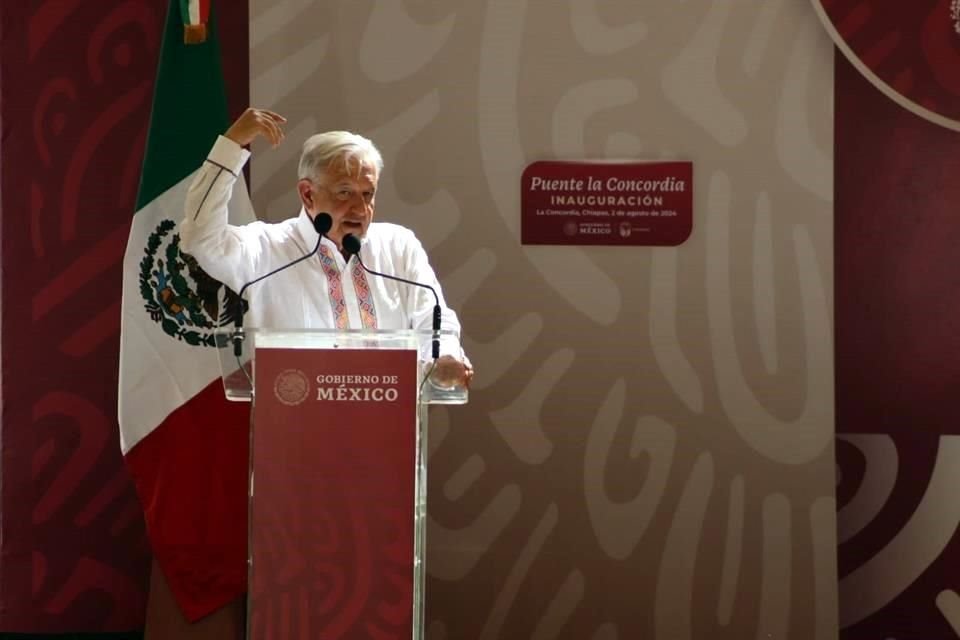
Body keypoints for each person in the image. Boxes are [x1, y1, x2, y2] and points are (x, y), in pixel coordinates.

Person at [180, 107, 473, 384]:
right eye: (345, 192)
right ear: (308, 194)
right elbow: (201, 238)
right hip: (295, 428)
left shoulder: (398, 246)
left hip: (387, 427)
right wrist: (230, 147)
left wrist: (444, 356)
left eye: (368, 194)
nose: (360, 208)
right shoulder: (266, 248)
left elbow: (433, 317)